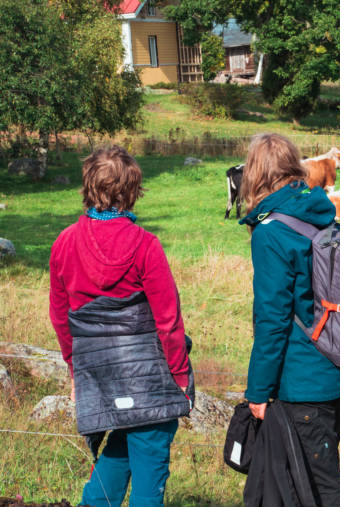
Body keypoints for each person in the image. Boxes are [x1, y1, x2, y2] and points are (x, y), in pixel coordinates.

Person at [48, 146, 192, 507]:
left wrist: (75, 370)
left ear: (88, 186)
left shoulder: (64, 243)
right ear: (132, 191)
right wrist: (180, 374)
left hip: (99, 371)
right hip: (148, 374)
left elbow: (60, 317)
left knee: (119, 447)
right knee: (149, 465)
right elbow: (168, 319)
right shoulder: (145, 245)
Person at [238, 133, 340, 506]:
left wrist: (257, 391)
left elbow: (272, 320)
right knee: (309, 483)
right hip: (333, 366)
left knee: (319, 484)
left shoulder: (272, 232)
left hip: (301, 380)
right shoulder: (319, 211)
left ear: (254, 173)